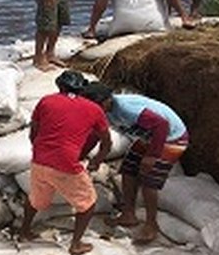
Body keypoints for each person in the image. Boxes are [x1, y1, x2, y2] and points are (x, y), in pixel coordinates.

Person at [16, 71, 112, 255]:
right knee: (88, 203)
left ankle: (24, 232)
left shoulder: (46, 101)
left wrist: (40, 151)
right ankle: (76, 244)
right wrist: (96, 161)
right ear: (81, 88)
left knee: (36, 199)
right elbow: (107, 143)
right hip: (66, 163)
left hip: (39, 159)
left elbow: (33, 133)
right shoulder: (94, 109)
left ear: (60, 86)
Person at [81, 83, 189, 245]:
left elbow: (162, 125)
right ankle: (128, 214)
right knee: (128, 170)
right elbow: (97, 136)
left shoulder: (126, 109)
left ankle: (151, 224)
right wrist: (82, 156)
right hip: (148, 138)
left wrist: (152, 156)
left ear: (107, 101)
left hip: (171, 138)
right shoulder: (100, 112)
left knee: (149, 180)